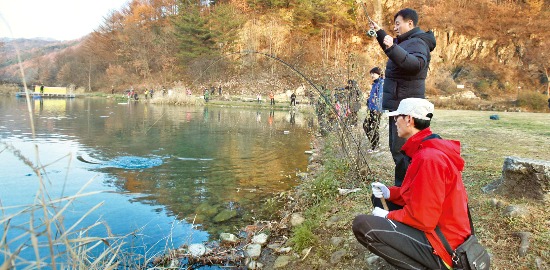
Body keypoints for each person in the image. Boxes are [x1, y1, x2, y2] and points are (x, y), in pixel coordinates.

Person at [352, 98, 470, 269]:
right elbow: (417, 194)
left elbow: (424, 219)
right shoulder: (425, 150)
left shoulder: (429, 158)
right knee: (380, 200)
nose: (394, 122)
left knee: (362, 226)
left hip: (446, 246)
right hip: (437, 229)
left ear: (409, 119)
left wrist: (387, 216)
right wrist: (389, 193)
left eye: (396, 118)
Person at [369, 8, 436, 187]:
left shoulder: (418, 43)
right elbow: (397, 52)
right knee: (398, 149)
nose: (395, 27)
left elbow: (415, 65)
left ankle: (406, 190)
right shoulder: (407, 42)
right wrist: (379, 33)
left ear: (410, 23)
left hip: (407, 106)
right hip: (400, 104)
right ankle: (404, 189)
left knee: (403, 151)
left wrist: (392, 46)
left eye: (398, 24)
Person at [363, 67, 384, 153]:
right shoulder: (375, 83)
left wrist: (377, 109)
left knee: (374, 127)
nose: (372, 75)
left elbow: (380, 97)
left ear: (379, 74)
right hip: (371, 109)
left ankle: (375, 146)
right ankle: (375, 143)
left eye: (374, 73)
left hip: (376, 109)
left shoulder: (381, 83)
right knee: (366, 125)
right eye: (371, 74)